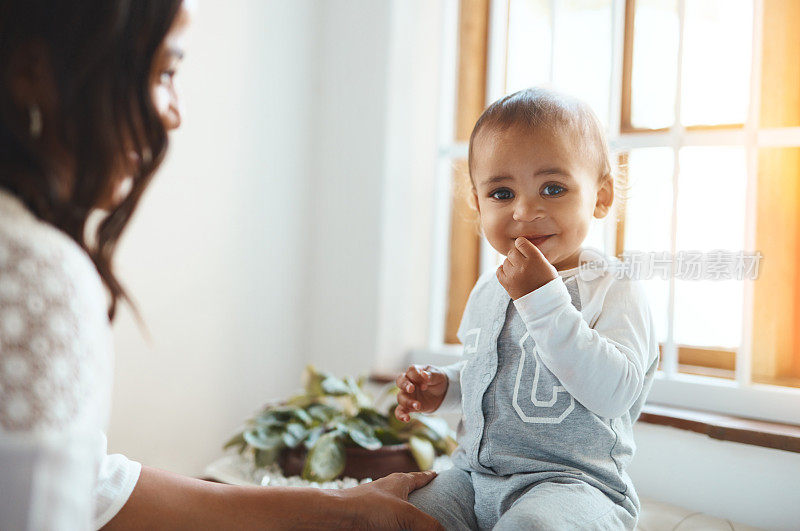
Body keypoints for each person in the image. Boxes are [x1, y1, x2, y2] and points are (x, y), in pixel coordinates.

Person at [0, 1, 443, 529]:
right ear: (34, 74)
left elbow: (88, 484)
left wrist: (343, 510)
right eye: (164, 72)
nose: (175, 112)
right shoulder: (35, 273)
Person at [395, 87, 660, 530]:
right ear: (477, 204)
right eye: (501, 193)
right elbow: (495, 371)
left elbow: (614, 394)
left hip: (574, 485)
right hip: (475, 477)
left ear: (600, 196)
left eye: (552, 188)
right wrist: (447, 387)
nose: (525, 210)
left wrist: (542, 298)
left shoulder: (613, 287)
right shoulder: (489, 290)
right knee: (401, 516)